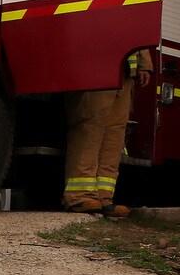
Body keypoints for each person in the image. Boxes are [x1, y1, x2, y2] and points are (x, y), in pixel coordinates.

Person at [63, 49, 152, 217]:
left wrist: (144, 64)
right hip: (97, 66)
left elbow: (140, 27)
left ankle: (104, 198)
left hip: (124, 73)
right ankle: (79, 196)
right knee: (90, 129)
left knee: (114, 135)